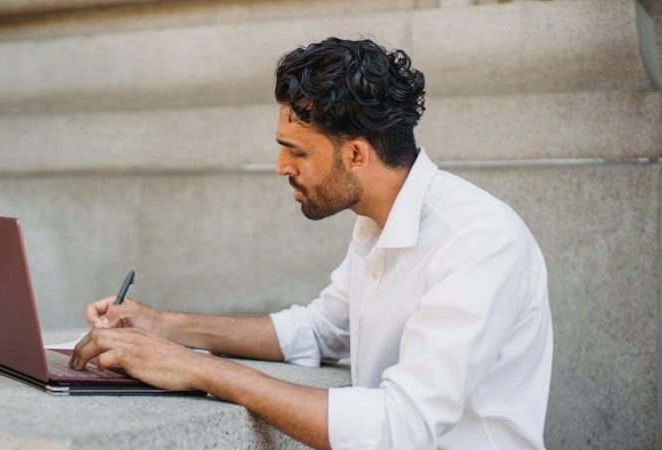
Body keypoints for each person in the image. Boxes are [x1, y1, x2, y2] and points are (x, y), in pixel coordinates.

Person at [70, 37, 552, 450]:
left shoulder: (479, 240)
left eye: (296, 151)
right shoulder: (375, 219)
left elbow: (401, 427)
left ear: (357, 154)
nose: (282, 167)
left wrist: (199, 371)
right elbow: (319, 331)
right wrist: (167, 326)